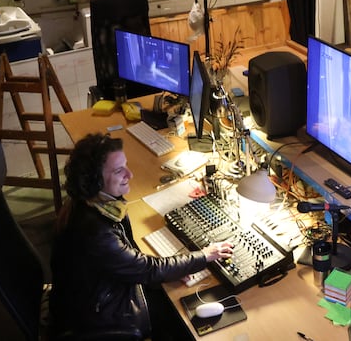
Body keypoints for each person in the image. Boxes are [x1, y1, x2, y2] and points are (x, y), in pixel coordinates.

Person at [49, 133, 234, 340]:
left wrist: (172, 270)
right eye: (119, 170)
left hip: (96, 293)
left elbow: (129, 258)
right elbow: (148, 269)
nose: (130, 174)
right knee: (184, 320)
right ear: (94, 180)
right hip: (101, 315)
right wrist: (204, 256)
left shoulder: (94, 203)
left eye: (125, 165)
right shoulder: (94, 231)